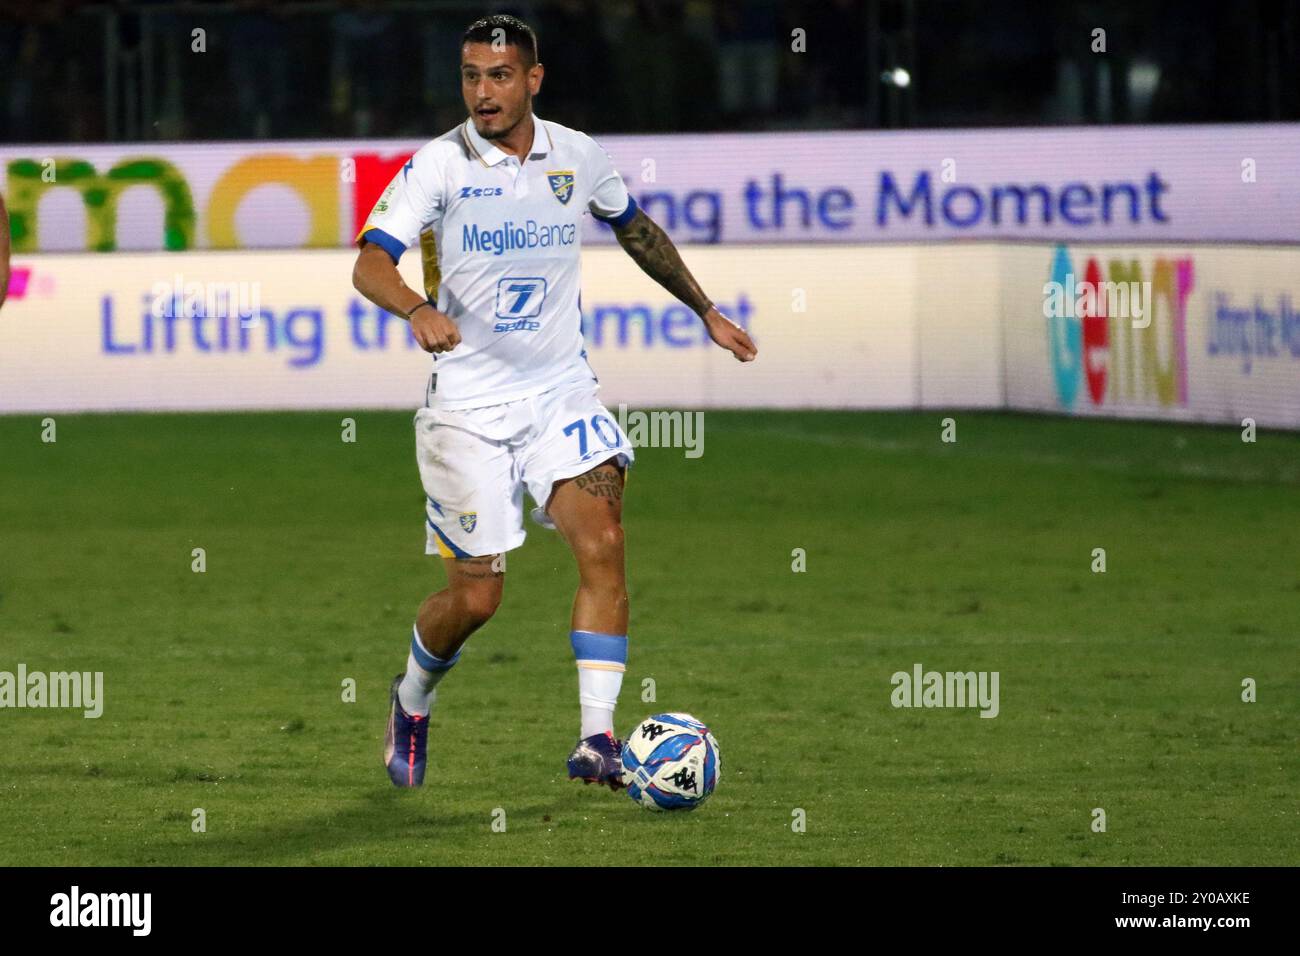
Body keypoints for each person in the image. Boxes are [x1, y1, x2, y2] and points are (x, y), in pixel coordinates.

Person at [351, 14, 756, 790]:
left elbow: (635, 230)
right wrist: (415, 308)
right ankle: (412, 697)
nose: (483, 92)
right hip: (466, 408)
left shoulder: (578, 155)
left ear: (533, 79)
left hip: (560, 391)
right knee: (477, 598)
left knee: (602, 540)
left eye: (499, 76)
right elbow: (371, 262)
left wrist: (705, 310)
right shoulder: (437, 166)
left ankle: (597, 740)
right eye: (471, 75)